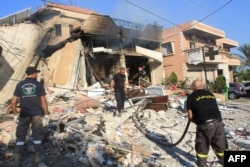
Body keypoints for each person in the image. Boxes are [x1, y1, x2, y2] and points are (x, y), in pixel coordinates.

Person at [11, 66, 49, 166]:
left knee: (20, 135)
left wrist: (15, 115)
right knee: (37, 134)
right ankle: (37, 157)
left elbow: (13, 102)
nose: (37, 74)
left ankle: (17, 160)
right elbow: (43, 101)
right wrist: (46, 114)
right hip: (36, 114)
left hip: (24, 114)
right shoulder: (38, 84)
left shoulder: (20, 84)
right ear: (33, 73)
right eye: (36, 73)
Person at [186, 79, 226, 167]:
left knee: (202, 149)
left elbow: (190, 116)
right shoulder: (210, 94)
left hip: (205, 125)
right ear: (202, 86)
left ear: (193, 87)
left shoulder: (191, 97)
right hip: (219, 123)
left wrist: (198, 123)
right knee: (220, 147)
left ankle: (202, 165)